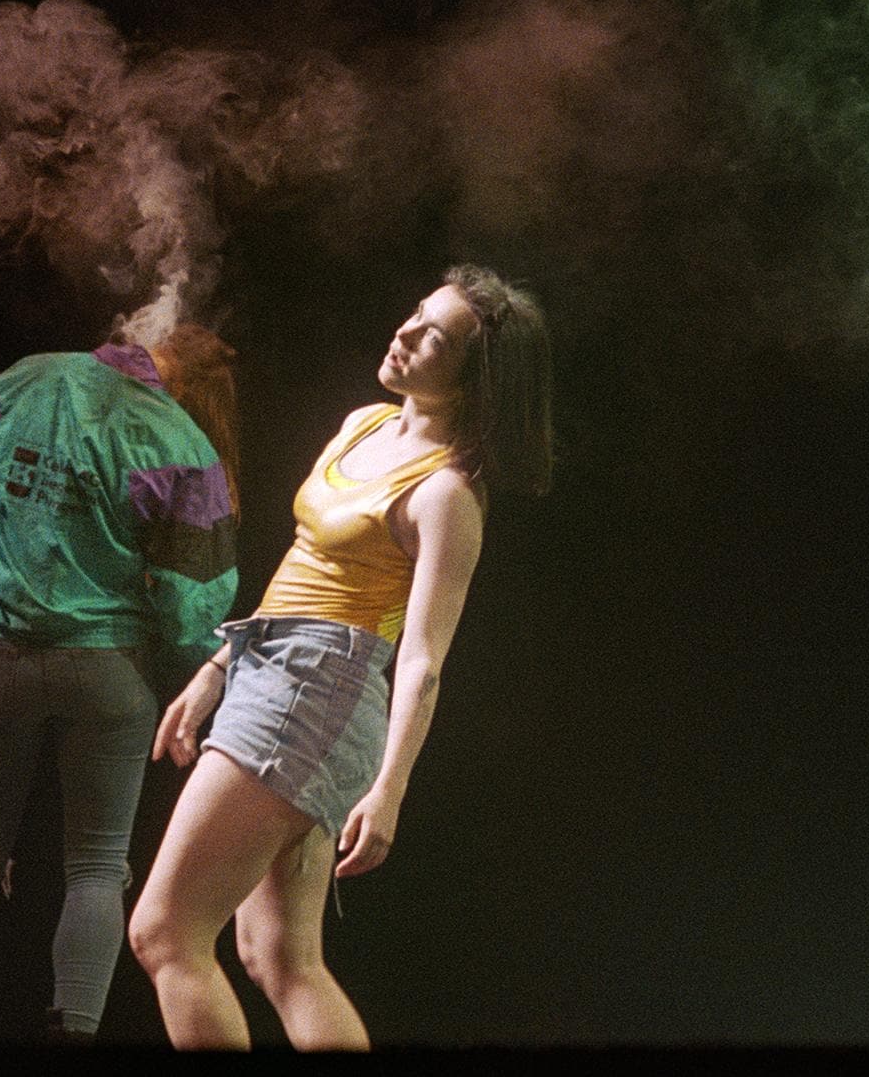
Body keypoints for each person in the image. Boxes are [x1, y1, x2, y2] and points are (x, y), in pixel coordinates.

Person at [129, 266, 552, 1049]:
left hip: (319, 691)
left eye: (434, 336)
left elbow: (422, 657)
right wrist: (215, 670)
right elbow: (300, 565)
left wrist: (389, 789)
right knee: (279, 958)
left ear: (473, 377)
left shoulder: (446, 494)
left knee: (165, 932)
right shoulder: (363, 424)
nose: (405, 332)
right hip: (275, 670)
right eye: (414, 314)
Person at [0, 326, 242, 1044]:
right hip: (107, 672)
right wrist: (183, 668)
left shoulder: (17, 378)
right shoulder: (181, 439)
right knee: (95, 867)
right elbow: (195, 605)